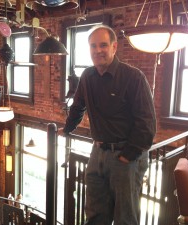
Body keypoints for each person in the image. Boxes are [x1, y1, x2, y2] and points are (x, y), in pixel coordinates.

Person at [61, 24, 156, 225]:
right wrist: (68, 128)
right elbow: (78, 106)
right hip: (97, 153)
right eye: (93, 46)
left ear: (114, 47)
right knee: (95, 215)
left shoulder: (133, 77)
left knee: (125, 218)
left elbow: (146, 122)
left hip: (125, 156)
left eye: (103, 45)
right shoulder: (87, 76)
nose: (98, 51)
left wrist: (128, 155)